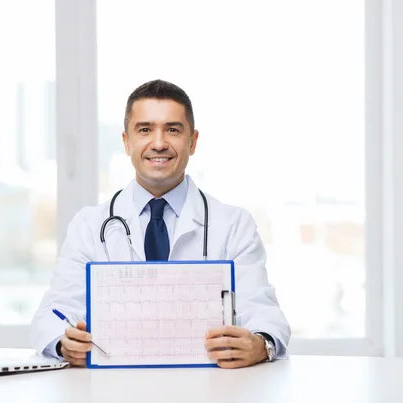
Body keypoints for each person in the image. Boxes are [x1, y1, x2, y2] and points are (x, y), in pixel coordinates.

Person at [30, 79, 290, 369]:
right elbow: (53, 314)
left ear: (192, 142)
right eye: (144, 130)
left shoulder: (233, 224)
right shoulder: (89, 226)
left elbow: (264, 313)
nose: (158, 143)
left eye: (173, 130)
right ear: (127, 142)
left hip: (207, 391)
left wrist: (260, 344)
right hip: (113, 391)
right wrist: (63, 344)